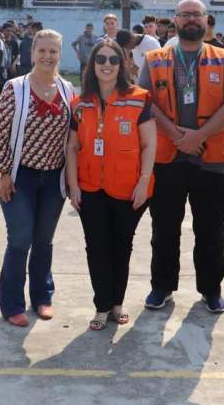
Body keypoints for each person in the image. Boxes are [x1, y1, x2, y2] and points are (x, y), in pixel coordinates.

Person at [137, 0, 224, 313]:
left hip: (211, 160)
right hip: (168, 159)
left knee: (211, 229)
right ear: (175, 20)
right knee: (164, 228)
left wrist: (199, 136)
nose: (191, 20)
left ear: (207, 20)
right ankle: (162, 287)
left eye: (197, 15)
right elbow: (146, 103)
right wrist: (178, 136)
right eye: (185, 15)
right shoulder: (154, 59)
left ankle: (211, 290)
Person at [66, 40, 156, 330]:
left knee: (122, 247)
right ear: (92, 65)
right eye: (101, 59)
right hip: (90, 188)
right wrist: (73, 186)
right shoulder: (80, 103)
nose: (106, 64)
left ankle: (117, 304)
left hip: (128, 188)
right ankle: (101, 306)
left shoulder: (140, 98)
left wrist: (143, 181)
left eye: (113, 60)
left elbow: (149, 144)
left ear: (122, 65)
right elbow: (71, 147)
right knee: (96, 247)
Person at [0, 29, 75, 327]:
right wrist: (2, 172)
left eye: (53, 51)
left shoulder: (67, 90)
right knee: (20, 239)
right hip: (19, 177)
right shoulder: (15, 88)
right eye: (42, 50)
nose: (47, 56)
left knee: (44, 241)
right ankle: (12, 303)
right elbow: (0, 133)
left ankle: (42, 297)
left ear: (60, 54)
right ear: (32, 52)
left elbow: (74, 138)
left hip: (54, 179)